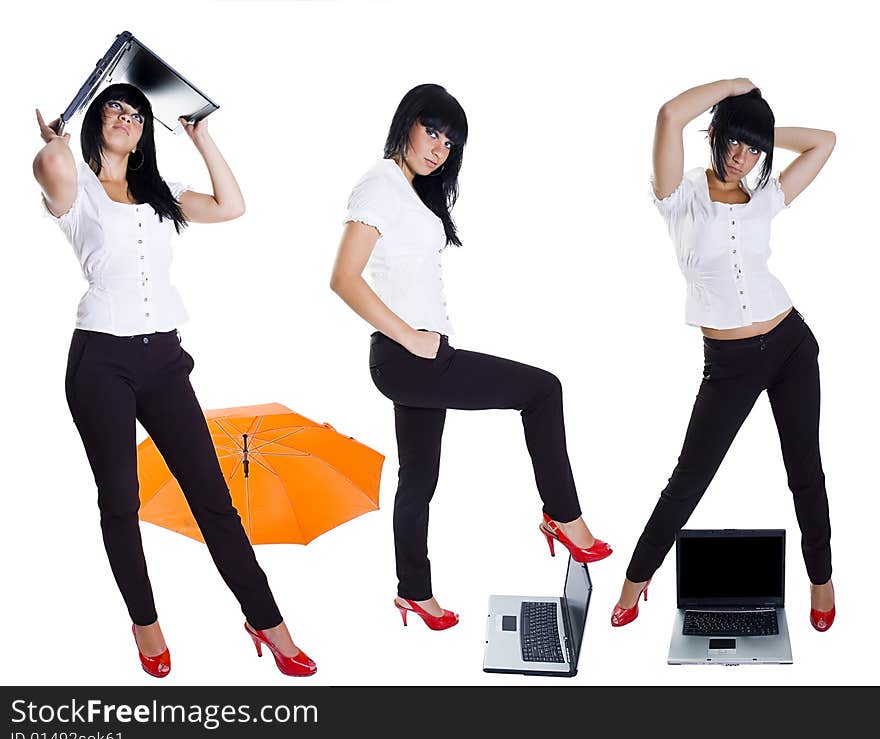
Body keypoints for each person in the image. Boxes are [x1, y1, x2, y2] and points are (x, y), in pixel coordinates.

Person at [34, 83, 316, 676]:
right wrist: (57, 142)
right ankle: (146, 623)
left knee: (211, 496)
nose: (124, 118)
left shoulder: (163, 194)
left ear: (144, 133)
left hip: (164, 359)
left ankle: (267, 620)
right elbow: (47, 167)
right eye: (114, 107)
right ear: (96, 121)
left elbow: (233, 205)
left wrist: (202, 137)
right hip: (100, 362)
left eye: (136, 114)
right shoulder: (76, 188)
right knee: (120, 499)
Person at [330, 83, 611, 631]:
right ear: (406, 123)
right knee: (542, 390)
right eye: (431, 131)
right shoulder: (378, 185)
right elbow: (343, 278)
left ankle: (414, 591)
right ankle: (563, 516)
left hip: (415, 356)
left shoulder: (412, 191)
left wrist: (419, 340)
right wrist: (412, 339)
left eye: (450, 141)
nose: (439, 147)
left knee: (418, 478)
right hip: (410, 356)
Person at [611, 79, 836, 632]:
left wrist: (759, 131)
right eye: (733, 143)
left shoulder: (765, 196)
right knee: (689, 478)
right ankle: (635, 581)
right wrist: (736, 90)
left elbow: (825, 141)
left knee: (805, 470)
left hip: (790, 345)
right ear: (712, 136)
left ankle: (822, 580)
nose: (743, 159)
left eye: (752, 149)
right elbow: (668, 115)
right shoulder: (680, 195)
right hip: (730, 362)